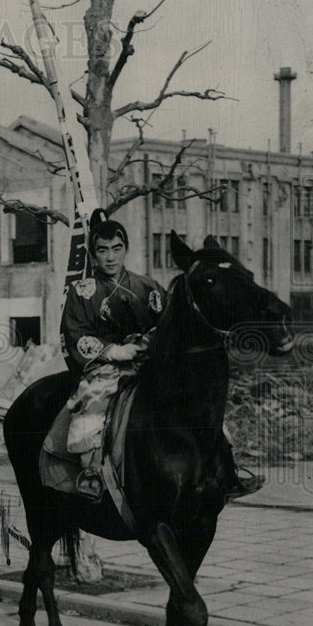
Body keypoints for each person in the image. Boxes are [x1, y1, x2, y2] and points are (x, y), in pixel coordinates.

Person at [60, 211, 261, 499]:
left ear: (125, 249)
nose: (110, 257)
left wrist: (151, 342)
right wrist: (114, 350)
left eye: (116, 248)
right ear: (93, 254)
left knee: (202, 407)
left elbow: (169, 323)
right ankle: (91, 470)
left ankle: (226, 470)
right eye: (102, 250)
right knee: (92, 404)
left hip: (150, 362)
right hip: (106, 367)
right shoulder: (82, 291)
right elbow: (75, 332)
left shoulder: (148, 287)